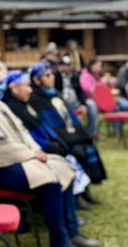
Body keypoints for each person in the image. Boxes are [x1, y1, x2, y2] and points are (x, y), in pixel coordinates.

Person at [0, 62, 101, 247]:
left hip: (14, 161)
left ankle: (73, 233)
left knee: (62, 166)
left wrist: (36, 150)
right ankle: (60, 245)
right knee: (51, 181)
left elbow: (22, 132)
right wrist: (31, 155)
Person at [25, 64, 107, 193]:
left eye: (51, 74)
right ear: (37, 80)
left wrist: (81, 134)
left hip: (71, 134)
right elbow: (50, 126)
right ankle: (79, 193)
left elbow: (71, 118)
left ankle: (87, 188)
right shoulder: (36, 99)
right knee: (78, 151)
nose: (51, 78)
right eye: (47, 76)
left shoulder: (56, 94)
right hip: (61, 139)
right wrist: (71, 138)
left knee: (88, 146)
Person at [58, 55, 99, 136]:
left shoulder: (75, 76)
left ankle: (91, 133)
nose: (67, 67)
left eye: (69, 65)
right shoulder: (57, 76)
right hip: (63, 104)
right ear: (61, 66)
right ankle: (65, 134)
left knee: (92, 104)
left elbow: (81, 92)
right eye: (65, 65)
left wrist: (83, 104)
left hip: (76, 103)